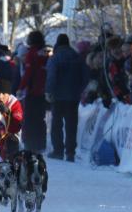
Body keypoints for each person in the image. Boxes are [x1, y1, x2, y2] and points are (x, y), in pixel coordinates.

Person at [45, 33, 87, 161]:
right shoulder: (77, 56)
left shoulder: (55, 57)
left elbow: (51, 76)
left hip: (58, 96)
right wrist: (79, 89)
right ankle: (70, 152)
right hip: (73, 96)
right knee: (71, 124)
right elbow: (84, 76)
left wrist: (49, 91)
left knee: (57, 124)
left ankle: (58, 150)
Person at [18, 29, 49, 153]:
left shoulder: (32, 53)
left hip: (32, 92)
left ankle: (29, 144)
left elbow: (28, 73)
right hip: (42, 91)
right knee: (40, 119)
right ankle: (41, 143)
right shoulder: (44, 53)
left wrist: (21, 87)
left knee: (29, 119)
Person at [0, 77, 22, 158]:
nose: (0, 96)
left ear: (9, 94)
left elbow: (16, 126)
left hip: (7, 135)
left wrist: (7, 114)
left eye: (3, 93)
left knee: (12, 140)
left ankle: (11, 164)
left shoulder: (14, 104)